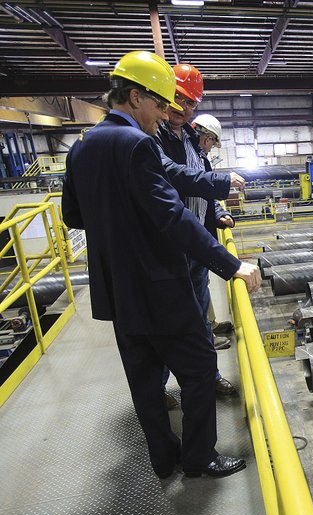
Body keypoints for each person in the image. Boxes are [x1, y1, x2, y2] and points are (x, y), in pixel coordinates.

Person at [61, 50, 261, 479]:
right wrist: (232, 265)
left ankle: (163, 458)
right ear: (135, 97)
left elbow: (74, 218)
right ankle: (198, 458)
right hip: (159, 287)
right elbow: (172, 218)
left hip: (117, 290)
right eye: (159, 104)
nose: (165, 114)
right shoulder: (136, 144)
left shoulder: (81, 148)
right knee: (200, 366)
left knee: (146, 381)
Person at [154, 64, 239, 399]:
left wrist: (216, 212)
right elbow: (174, 176)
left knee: (200, 319)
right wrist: (220, 184)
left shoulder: (190, 139)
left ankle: (210, 377)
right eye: (177, 99)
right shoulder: (152, 139)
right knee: (167, 323)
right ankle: (159, 388)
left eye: (189, 103)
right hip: (168, 249)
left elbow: (199, 182)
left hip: (196, 248)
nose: (183, 107)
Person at [191, 113, 235, 339]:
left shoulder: (200, 159)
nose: (210, 148)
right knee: (194, 290)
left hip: (198, 232)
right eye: (211, 142)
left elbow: (206, 198)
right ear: (206, 137)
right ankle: (205, 337)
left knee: (201, 284)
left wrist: (220, 213)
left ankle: (210, 324)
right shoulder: (185, 156)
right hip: (189, 235)